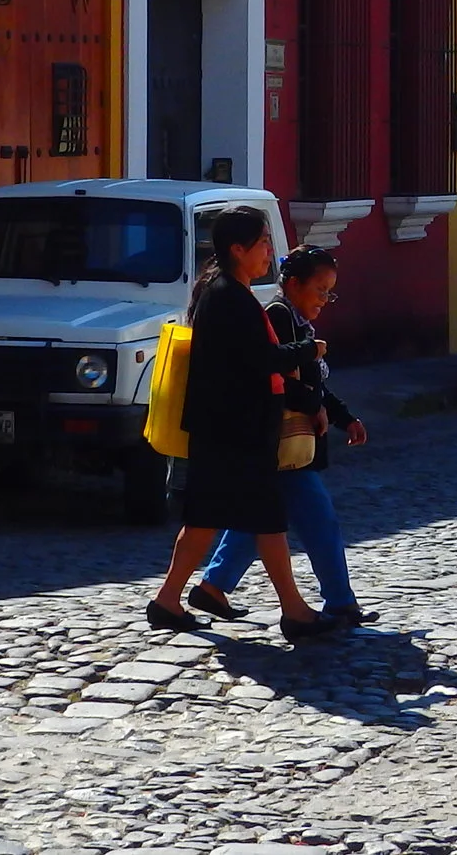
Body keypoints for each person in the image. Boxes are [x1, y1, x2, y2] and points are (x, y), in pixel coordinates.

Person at [145, 206, 342, 642]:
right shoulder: (228, 298)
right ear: (238, 249)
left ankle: (169, 601)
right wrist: (308, 351)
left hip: (233, 429)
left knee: (216, 519)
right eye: (264, 243)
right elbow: (256, 362)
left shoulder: (229, 292)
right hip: (235, 430)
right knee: (259, 519)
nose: (270, 251)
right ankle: (294, 611)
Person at [188, 245, 377, 628]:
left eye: (330, 292)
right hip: (278, 438)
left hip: (286, 439)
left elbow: (313, 383)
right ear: (294, 284)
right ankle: (339, 601)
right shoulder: (278, 316)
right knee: (318, 520)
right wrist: (313, 405)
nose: (326, 300)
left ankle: (213, 585)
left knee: (258, 519)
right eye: (320, 290)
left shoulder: (297, 321)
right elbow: (268, 377)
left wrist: (343, 417)